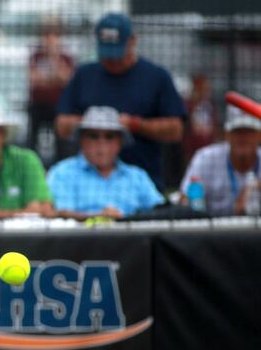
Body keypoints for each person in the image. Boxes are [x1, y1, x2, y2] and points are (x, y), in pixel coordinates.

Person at [55, 12, 186, 192]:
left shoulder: (156, 77)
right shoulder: (84, 75)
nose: (111, 60)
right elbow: (62, 125)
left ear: (132, 41)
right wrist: (95, 123)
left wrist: (135, 125)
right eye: (107, 53)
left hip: (143, 182)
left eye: (117, 53)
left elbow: (176, 130)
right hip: (88, 184)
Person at [48, 106, 164, 219]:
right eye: (93, 136)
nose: (101, 143)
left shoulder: (137, 176)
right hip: (77, 238)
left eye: (109, 136)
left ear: (120, 142)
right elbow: (57, 214)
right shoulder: (62, 173)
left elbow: (160, 213)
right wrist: (99, 218)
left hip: (134, 238)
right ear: (81, 140)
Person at [180, 105, 261, 216]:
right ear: (227, 135)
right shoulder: (205, 157)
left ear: (259, 135)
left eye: (249, 132)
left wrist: (254, 187)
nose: (243, 138)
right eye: (237, 132)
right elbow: (185, 199)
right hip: (209, 231)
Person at [27, 17, 75, 166]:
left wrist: (54, 56)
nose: (49, 39)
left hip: (57, 106)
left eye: (54, 35)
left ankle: (60, 164)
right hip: (38, 105)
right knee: (32, 139)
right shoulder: (35, 57)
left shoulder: (66, 58)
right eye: (46, 35)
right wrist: (54, 80)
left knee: (61, 141)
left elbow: (66, 79)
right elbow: (34, 80)